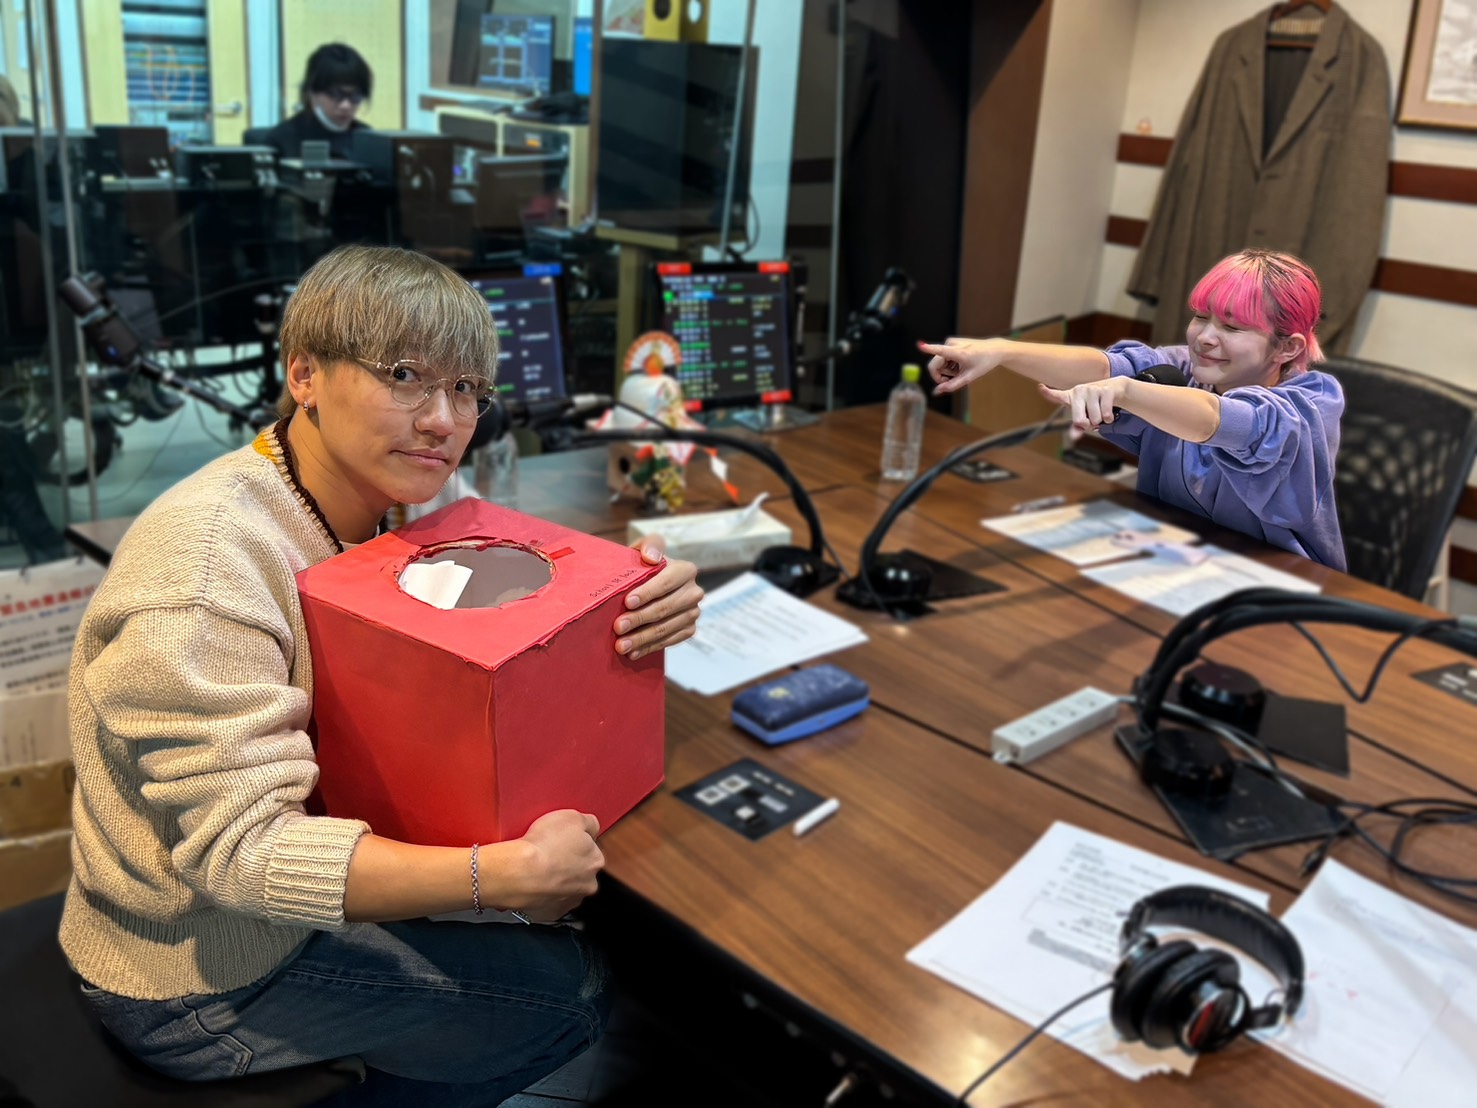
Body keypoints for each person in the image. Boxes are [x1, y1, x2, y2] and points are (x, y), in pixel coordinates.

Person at [59, 244, 704, 1104]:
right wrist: (491, 878)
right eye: (404, 377)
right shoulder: (206, 572)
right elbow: (242, 857)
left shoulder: (378, 498)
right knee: (573, 993)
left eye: (467, 389)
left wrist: (637, 596)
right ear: (304, 375)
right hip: (204, 970)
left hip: (270, 904)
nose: (443, 420)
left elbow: (505, 609)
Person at [921, 249, 1344, 570]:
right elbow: (1103, 366)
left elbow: (1222, 420)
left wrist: (1126, 392)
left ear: (1287, 347)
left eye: (1232, 327)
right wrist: (1001, 352)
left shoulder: (1310, 403)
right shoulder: (1185, 368)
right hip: (1173, 560)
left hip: (1273, 584)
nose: (1205, 337)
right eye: (1201, 317)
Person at [258, 43, 372, 159]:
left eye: (355, 96)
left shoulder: (368, 141)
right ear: (312, 92)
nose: (346, 105)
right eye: (336, 94)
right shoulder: (281, 141)